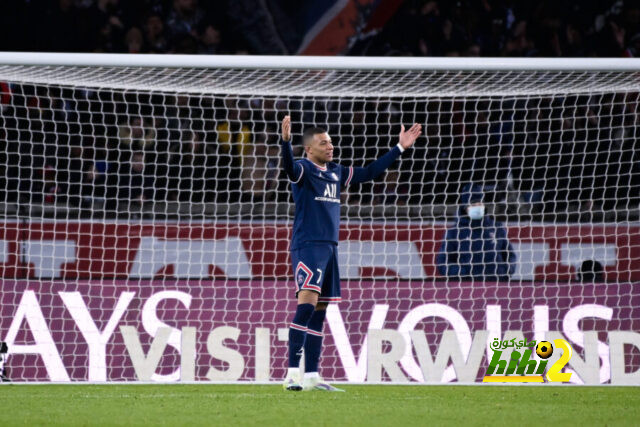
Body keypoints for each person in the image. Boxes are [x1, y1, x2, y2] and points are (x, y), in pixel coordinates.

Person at [280, 115, 422, 391]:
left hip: (330, 249)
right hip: (308, 246)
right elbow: (287, 168)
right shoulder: (303, 169)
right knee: (306, 306)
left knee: (320, 311)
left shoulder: (336, 171)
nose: (330, 147)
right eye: (323, 143)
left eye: (330, 142)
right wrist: (285, 142)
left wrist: (400, 148)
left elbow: (369, 172)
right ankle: (290, 375)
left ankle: (311, 376)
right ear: (309, 148)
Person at [436, 183, 515, 281]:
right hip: (467, 288)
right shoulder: (453, 232)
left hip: (497, 286)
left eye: (480, 203)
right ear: (465, 208)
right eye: (473, 204)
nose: (478, 207)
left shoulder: (497, 228)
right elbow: (443, 262)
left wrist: (505, 271)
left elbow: (510, 255)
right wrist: (463, 274)